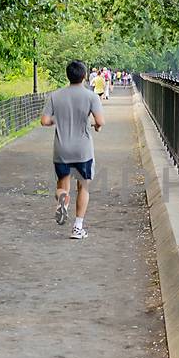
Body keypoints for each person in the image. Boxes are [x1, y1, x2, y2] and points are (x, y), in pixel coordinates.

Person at [42, 60, 104, 239]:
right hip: (83, 149)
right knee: (83, 186)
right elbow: (100, 121)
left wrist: (57, 120)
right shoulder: (91, 96)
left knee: (63, 184)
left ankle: (62, 204)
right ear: (84, 76)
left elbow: (44, 121)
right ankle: (78, 228)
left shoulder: (55, 96)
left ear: (67, 75)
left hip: (61, 149)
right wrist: (96, 126)